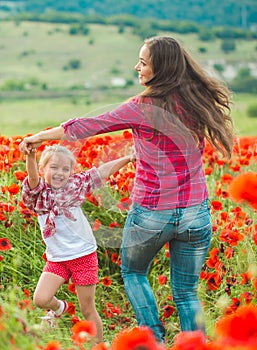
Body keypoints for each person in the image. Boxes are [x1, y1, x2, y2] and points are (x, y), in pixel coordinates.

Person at [19, 36, 235, 343]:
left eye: (143, 62)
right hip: (195, 213)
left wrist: (41, 136)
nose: (137, 67)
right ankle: (195, 346)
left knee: (134, 273)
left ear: (160, 68)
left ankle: (155, 341)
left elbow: (88, 125)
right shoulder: (196, 102)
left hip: (151, 213)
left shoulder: (142, 107)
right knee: (186, 291)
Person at [22, 144, 135, 344]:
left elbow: (101, 172)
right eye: (54, 167)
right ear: (43, 169)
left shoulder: (75, 186)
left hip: (83, 256)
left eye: (66, 169)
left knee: (87, 309)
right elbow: (32, 180)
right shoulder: (39, 194)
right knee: (40, 299)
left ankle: (99, 345)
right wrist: (30, 157)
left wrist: (128, 158)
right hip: (57, 258)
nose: (60, 173)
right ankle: (59, 308)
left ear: (71, 172)